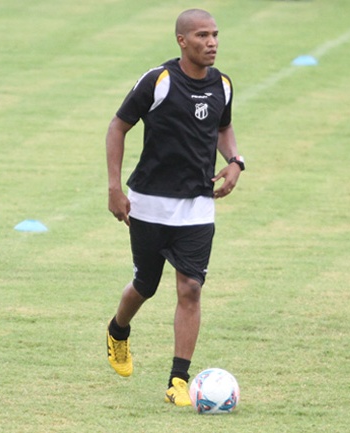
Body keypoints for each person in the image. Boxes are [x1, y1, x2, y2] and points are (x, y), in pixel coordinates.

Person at [104, 8, 244, 407]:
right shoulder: (159, 81)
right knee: (145, 285)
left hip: (198, 205)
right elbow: (117, 126)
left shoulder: (223, 85)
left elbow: (223, 126)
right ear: (182, 41)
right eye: (202, 35)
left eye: (215, 34)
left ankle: (178, 380)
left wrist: (235, 161)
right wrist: (114, 188)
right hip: (149, 203)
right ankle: (118, 330)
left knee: (191, 288)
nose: (212, 42)